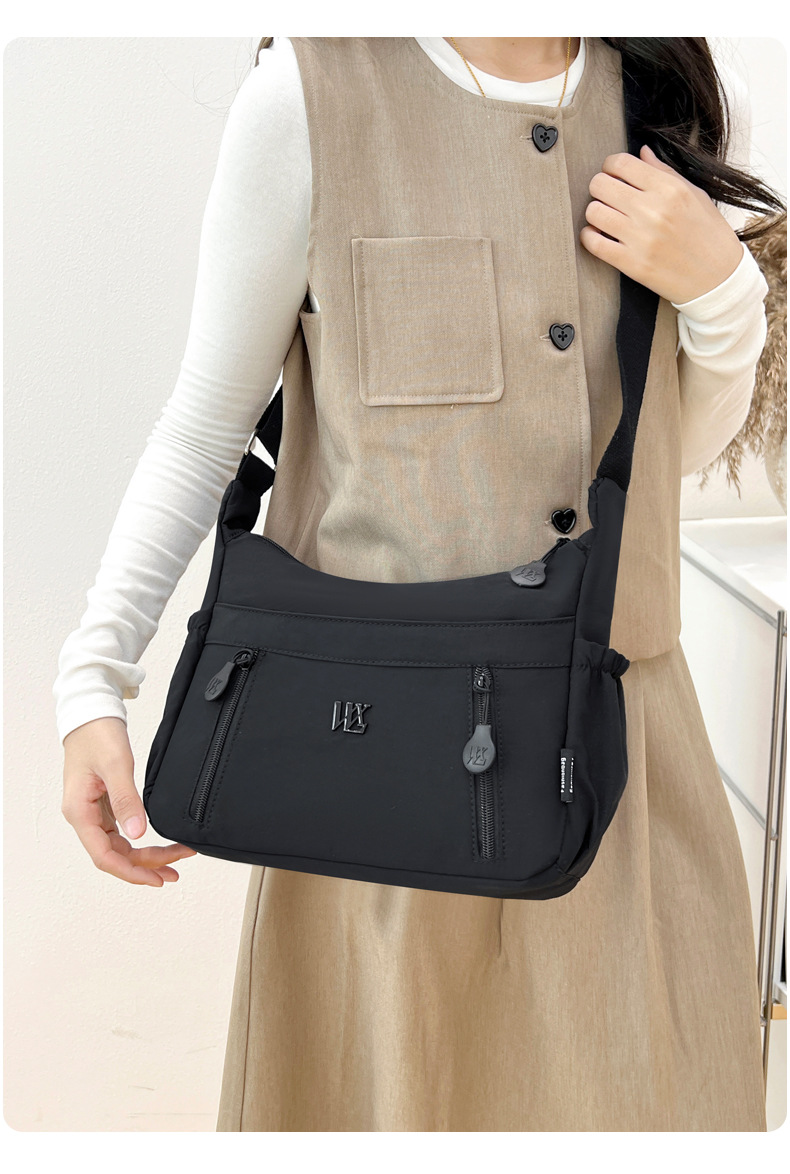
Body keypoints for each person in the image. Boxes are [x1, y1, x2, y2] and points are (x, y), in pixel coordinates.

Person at [55, 37, 784, 1131]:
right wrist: (92, 678)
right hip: (380, 783)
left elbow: (671, 455)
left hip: (628, 767)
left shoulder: (669, 101)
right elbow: (206, 427)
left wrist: (723, 291)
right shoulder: (309, 98)